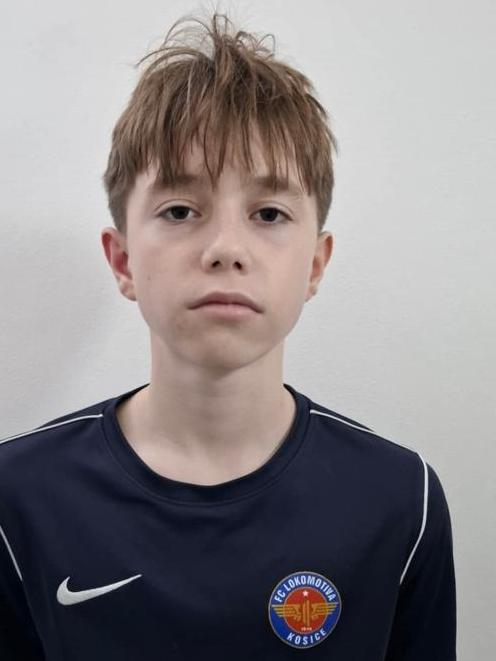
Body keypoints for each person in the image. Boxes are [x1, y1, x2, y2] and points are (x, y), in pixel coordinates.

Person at [0, 10, 456, 660]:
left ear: (315, 264)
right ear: (122, 259)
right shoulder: (19, 498)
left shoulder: (401, 499)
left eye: (268, 213)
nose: (225, 248)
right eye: (180, 210)